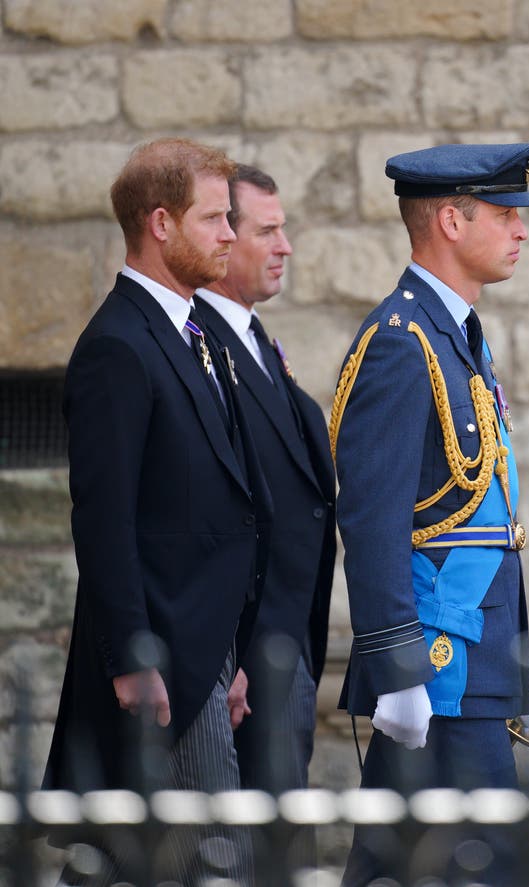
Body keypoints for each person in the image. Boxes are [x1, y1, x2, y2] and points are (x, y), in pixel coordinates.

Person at [330, 143, 529, 886]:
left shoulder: (455, 335)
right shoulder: (401, 345)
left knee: (406, 864)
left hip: (470, 660)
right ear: (452, 221)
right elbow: (372, 519)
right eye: (503, 214)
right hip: (433, 670)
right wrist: (398, 670)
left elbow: (484, 517)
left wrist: (513, 659)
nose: (521, 230)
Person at [42, 138, 272, 886]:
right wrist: (136, 656)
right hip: (164, 655)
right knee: (212, 859)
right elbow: (103, 521)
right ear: (161, 223)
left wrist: (230, 656)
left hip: (205, 650)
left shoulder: (187, 334)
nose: (231, 235)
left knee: (165, 859)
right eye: (215, 219)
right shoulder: (118, 345)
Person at [194, 164, 336, 798]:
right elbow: (206, 514)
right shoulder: (198, 344)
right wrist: (230, 656)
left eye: (285, 231)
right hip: (249, 653)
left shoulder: (252, 339)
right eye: (268, 231)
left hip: (287, 638)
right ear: (222, 239)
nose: (285, 247)